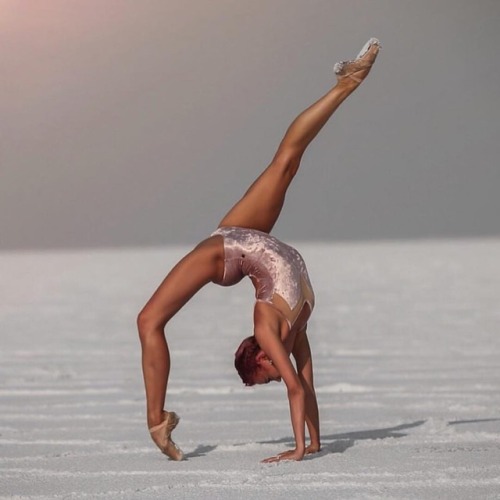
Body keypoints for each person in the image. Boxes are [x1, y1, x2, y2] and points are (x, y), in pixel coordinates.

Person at [137, 38, 381, 463]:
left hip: (229, 247)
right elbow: (304, 383)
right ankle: (345, 85)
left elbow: (294, 386)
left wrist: (303, 449)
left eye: (264, 374)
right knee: (285, 162)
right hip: (248, 241)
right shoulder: (292, 334)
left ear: (262, 355)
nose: (273, 377)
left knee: (148, 321)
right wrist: (314, 441)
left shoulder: (275, 332)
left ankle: (156, 421)